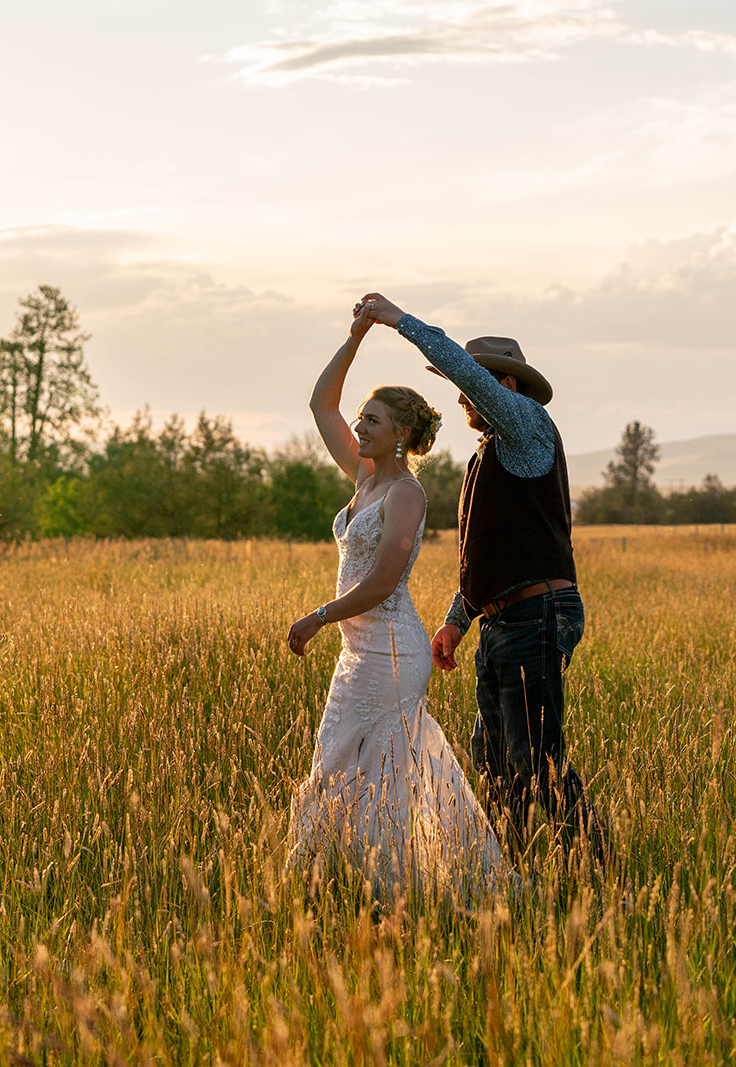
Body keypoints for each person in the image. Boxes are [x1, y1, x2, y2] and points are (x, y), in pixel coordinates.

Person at [355, 293, 609, 865]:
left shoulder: (528, 426)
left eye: (476, 383)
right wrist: (455, 621)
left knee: (536, 757)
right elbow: (485, 554)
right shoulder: (490, 454)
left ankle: (603, 874)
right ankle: (513, 879)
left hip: (535, 617)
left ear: (507, 388)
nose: (463, 393)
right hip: (502, 622)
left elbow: (464, 367)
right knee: (494, 763)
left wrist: (399, 321)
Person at [284, 305, 512, 900]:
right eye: (362, 418)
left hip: (392, 648)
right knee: (334, 761)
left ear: (404, 435)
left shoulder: (405, 494)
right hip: (357, 651)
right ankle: (335, 882)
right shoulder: (363, 477)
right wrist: (355, 335)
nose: (360, 427)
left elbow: (385, 580)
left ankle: (389, 891)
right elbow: (320, 405)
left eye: (374, 421)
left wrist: (317, 616)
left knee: (379, 771)